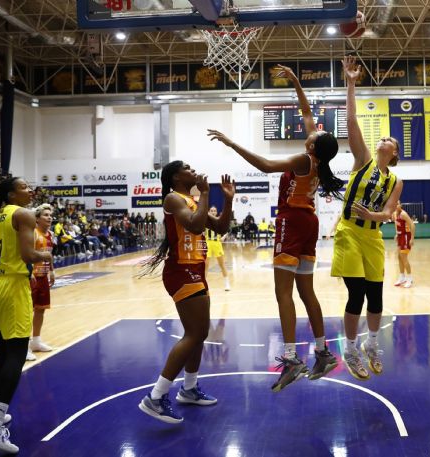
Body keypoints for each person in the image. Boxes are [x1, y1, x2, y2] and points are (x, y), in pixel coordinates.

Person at [208, 64, 342, 391]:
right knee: (306, 291)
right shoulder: (319, 159)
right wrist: (296, 81)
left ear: (313, 145)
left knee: (283, 292)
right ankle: (323, 352)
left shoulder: (303, 159)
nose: (311, 127)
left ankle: (291, 356)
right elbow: (308, 111)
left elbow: (266, 165)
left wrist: (231, 144)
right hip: (309, 222)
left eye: (315, 133)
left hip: (292, 222)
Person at [138, 161, 234, 424]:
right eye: (188, 168)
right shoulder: (173, 198)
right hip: (181, 270)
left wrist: (227, 200)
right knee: (195, 333)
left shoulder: (191, 200)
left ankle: (189, 389)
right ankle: (155, 397)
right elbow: (193, 226)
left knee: (199, 333)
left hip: (196, 269)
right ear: (175, 176)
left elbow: (221, 228)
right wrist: (204, 194)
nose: (193, 170)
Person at [332, 56, 403, 381]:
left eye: (388, 139)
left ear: (394, 152)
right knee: (356, 294)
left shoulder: (394, 180)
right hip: (349, 232)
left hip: (372, 235)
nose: (383, 139)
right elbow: (351, 123)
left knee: (376, 297)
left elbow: (389, 213)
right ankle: (349, 348)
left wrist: (374, 214)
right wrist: (350, 83)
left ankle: (372, 344)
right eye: (382, 138)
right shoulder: (362, 160)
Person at [0, 177, 53, 453]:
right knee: (16, 354)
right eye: (24, 187)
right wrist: (47, 255)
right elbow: (28, 255)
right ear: (10, 193)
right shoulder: (24, 214)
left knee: (1, 351)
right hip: (12, 285)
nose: (30, 190)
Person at [27, 203, 56, 362]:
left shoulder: (50, 234)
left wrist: (52, 270)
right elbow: (25, 255)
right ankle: (24, 346)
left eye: (50, 215)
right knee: (27, 312)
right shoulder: (32, 234)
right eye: (45, 215)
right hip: (32, 276)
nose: (49, 217)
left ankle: (36, 341)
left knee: (41, 309)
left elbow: (48, 255)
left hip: (43, 275)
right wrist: (29, 272)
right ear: (37, 219)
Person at [205, 206, 231, 291]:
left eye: (214, 211)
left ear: (216, 212)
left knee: (222, 264)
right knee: (206, 265)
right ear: (209, 211)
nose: (213, 212)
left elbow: (227, 230)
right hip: (208, 243)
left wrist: (224, 236)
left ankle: (227, 284)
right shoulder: (205, 220)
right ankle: (204, 286)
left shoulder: (220, 221)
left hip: (217, 243)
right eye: (211, 211)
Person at [393, 202, 415, 288]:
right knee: (399, 256)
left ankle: (409, 278)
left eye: (398, 204)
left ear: (400, 205)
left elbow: (412, 225)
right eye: (395, 204)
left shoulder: (403, 214)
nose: (396, 205)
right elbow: (396, 224)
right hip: (400, 236)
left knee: (404, 257)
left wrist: (412, 238)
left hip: (406, 236)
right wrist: (396, 234)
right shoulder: (395, 214)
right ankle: (402, 277)